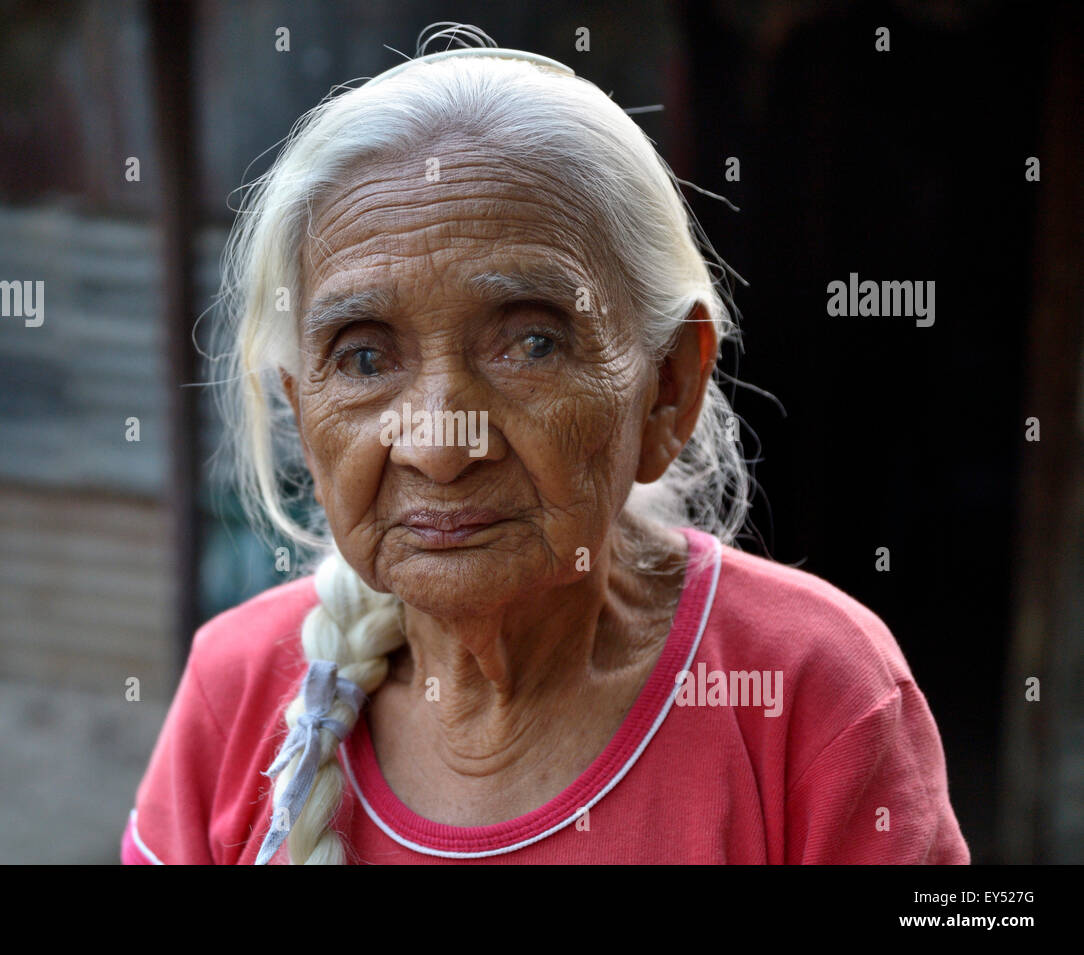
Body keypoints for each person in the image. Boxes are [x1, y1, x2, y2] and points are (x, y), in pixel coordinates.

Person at [122, 27, 970, 865]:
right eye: (366, 357)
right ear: (302, 413)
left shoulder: (817, 698)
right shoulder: (233, 689)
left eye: (532, 343)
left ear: (667, 388)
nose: (439, 449)